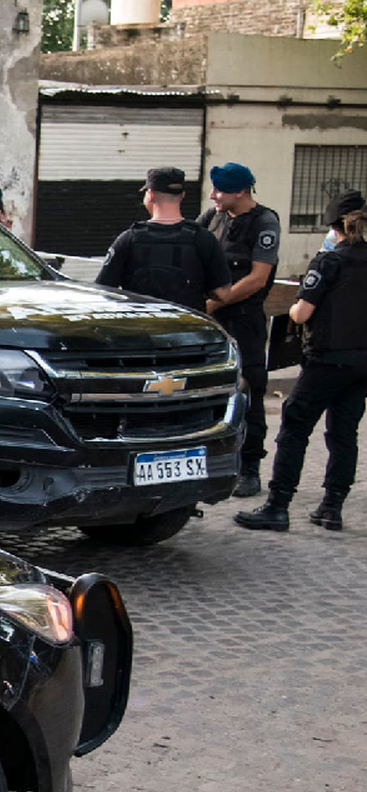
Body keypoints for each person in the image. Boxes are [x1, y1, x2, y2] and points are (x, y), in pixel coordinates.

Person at [235, 192, 367, 532]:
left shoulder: (328, 262)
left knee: (294, 429)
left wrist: (293, 311)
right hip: (361, 363)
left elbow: (303, 311)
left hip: (325, 360)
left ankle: (278, 506)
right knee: (344, 434)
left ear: (334, 226)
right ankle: (331, 507)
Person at [198, 162, 281, 497]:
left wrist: (217, 301)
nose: (214, 195)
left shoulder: (264, 221)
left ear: (240, 192)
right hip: (210, 320)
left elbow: (259, 277)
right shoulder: (211, 219)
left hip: (243, 320)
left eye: (219, 189)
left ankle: (250, 468)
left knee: (249, 392)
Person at [94, 166, 231, 313]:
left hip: (143, 330)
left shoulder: (129, 239)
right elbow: (222, 294)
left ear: (150, 194)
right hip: (189, 330)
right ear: (182, 195)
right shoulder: (203, 238)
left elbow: (103, 291)